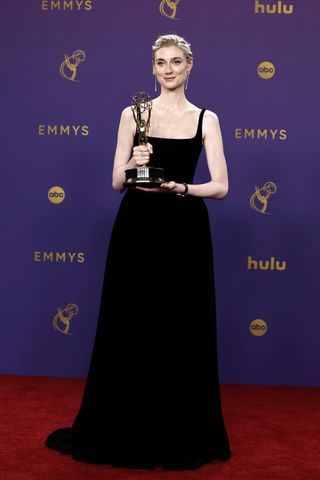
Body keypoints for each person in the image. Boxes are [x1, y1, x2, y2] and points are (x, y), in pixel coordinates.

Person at [45, 33, 232, 471]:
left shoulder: (207, 119)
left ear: (191, 66)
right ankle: (123, 427)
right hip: (137, 229)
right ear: (152, 68)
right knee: (130, 323)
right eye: (161, 62)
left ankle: (178, 430)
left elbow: (221, 186)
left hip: (184, 229)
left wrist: (180, 187)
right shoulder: (133, 114)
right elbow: (116, 181)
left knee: (179, 325)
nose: (168, 69)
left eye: (176, 61)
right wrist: (132, 164)